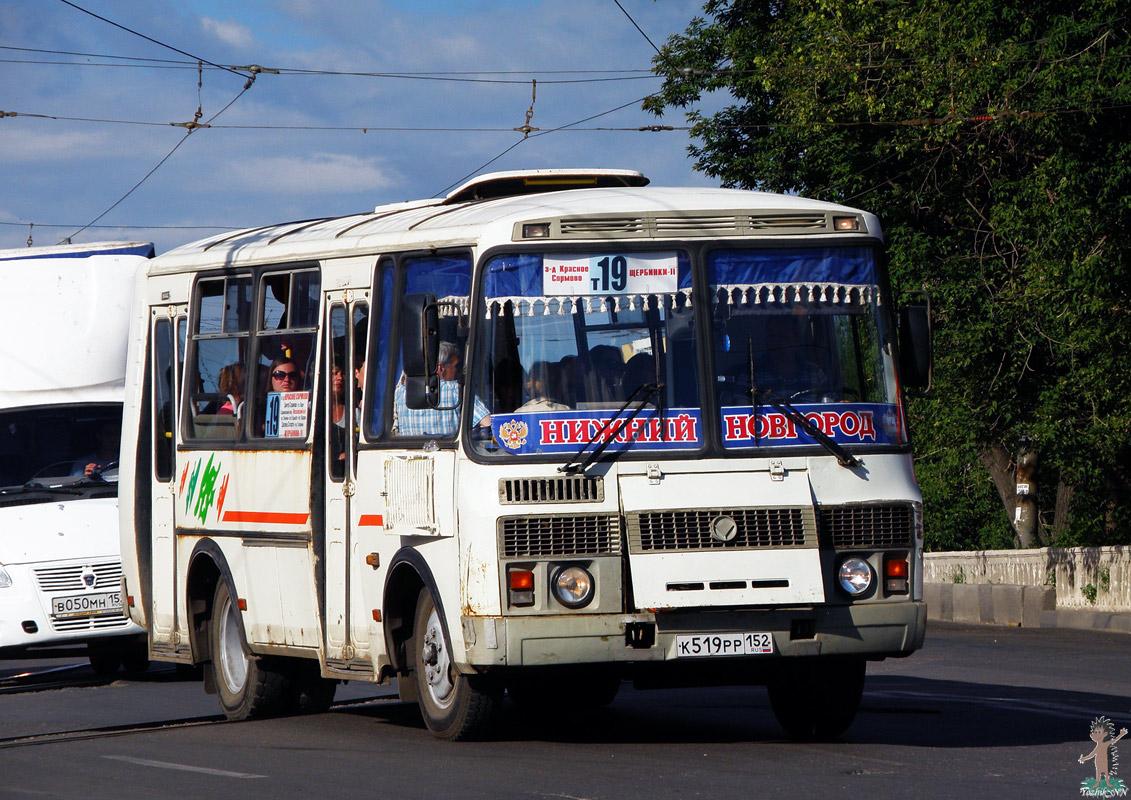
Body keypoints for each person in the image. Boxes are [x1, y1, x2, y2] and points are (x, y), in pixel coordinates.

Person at [393, 342, 489, 437]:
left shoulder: (401, 393)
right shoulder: (455, 390)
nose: (456, 371)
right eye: (454, 366)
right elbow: (487, 422)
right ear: (440, 368)